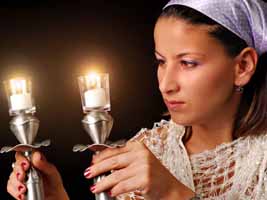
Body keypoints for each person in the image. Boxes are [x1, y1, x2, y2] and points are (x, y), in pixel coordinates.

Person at [7, 0, 267, 199]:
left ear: (242, 66)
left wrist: (173, 193)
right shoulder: (148, 149)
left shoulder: (261, 159)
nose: (166, 85)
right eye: (161, 62)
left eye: (188, 63)